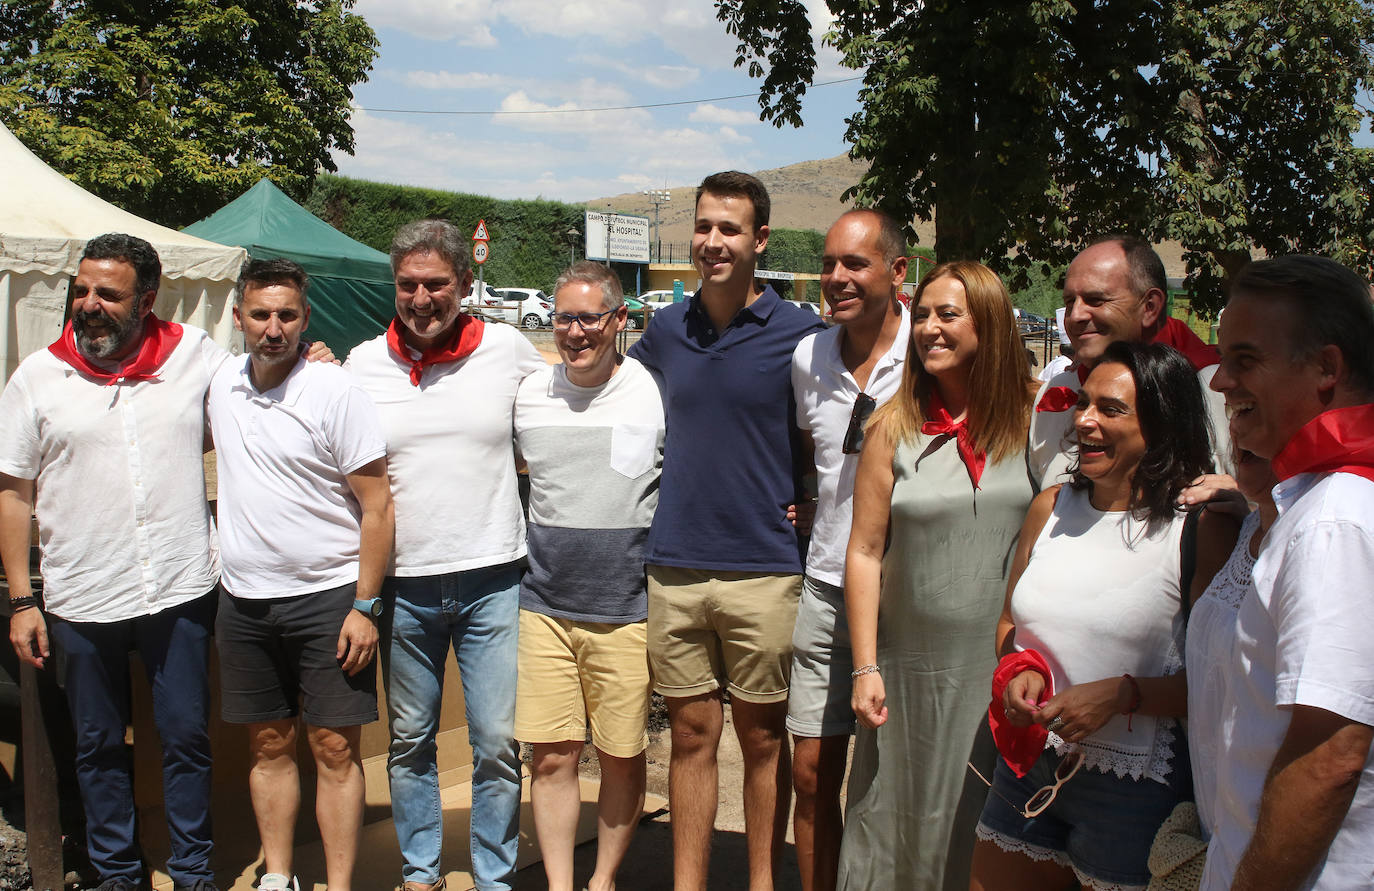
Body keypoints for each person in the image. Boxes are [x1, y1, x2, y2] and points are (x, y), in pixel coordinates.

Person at [0, 233, 222, 891]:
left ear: (147, 299)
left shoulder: (195, 357)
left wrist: (310, 355)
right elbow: (13, 495)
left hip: (177, 591)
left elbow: (263, 388)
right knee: (96, 748)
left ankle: (192, 871)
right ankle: (118, 874)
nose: (89, 305)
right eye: (82, 290)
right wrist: (20, 598)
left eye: (109, 294)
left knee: (185, 739)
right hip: (82, 596)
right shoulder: (38, 375)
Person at [626, 171, 824, 890]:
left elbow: (843, 429)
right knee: (689, 738)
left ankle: (763, 882)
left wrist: (819, 500)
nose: (713, 242)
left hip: (766, 569)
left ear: (759, 240)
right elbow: (610, 397)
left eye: (730, 229)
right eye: (704, 227)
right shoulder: (665, 331)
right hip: (675, 563)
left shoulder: (803, 333)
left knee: (763, 742)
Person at [345, 220, 545, 891]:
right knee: (409, 743)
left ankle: (492, 876)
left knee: (494, 741)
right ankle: (421, 872)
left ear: (464, 283)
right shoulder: (362, 363)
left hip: (492, 577)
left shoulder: (510, 349)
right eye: (408, 284)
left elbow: (562, 409)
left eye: (436, 283)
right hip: (403, 587)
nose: (421, 297)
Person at [970, 340, 1214, 891]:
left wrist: (1123, 695)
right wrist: (1020, 667)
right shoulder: (1051, 508)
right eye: (1083, 403)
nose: (1084, 421)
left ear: (1162, 420)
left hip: (1138, 792)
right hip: (1028, 765)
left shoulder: (1197, 527)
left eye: (1111, 409)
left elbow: (1220, 682)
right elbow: (1008, 624)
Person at [840, 261, 1038, 891]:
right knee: (894, 810)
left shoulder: (1038, 420)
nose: (928, 328)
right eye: (921, 314)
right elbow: (865, 552)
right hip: (905, 668)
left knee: (978, 813)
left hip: (996, 665)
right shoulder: (890, 427)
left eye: (948, 314)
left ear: (989, 326)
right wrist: (865, 666)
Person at [207, 258, 394, 891]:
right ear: (239, 318)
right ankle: (278, 875)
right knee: (267, 746)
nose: (274, 328)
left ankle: (339, 884)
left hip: (329, 601)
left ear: (305, 319)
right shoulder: (220, 386)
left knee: (335, 750)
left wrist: (364, 608)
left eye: (288, 315)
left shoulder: (335, 392)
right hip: (245, 603)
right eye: (260, 314)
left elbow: (377, 506)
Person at [1201, 256, 1374, 890]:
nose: (1221, 382)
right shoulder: (1319, 502)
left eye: (1245, 360)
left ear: (1327, 368)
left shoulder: (1337, 518)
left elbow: (1330, 756)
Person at [512, 261, 663, 891]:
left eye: (589, 318)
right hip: (542, 604)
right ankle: (559, 884)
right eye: (564, 317)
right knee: (550, 757)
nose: (575, 332)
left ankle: (600, 881)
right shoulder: (528, 393)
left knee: (623, 756)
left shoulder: (654, 392)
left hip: (627, 609)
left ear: (618, 320)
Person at [786, 209, 909, 891]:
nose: (837, 277)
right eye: (829, 263)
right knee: (811, 771)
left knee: (897, 773)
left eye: (855, 264)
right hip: (827, 585)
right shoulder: (808, 357)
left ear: (896, 272)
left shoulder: (932, 350)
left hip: (910, 595)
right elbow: (814, 458)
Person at [1028, 236, 1230, 488]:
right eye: (1070, 302)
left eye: (1096, 300)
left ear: (1150, 307)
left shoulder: (1217, 390)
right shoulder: (1055, 393)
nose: (1075, 315)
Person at [1185, 447, 1274, 847]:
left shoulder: (1336, 533)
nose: (1222, 381)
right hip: (1219, 824)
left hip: (1270, 846)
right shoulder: (1241, 526)